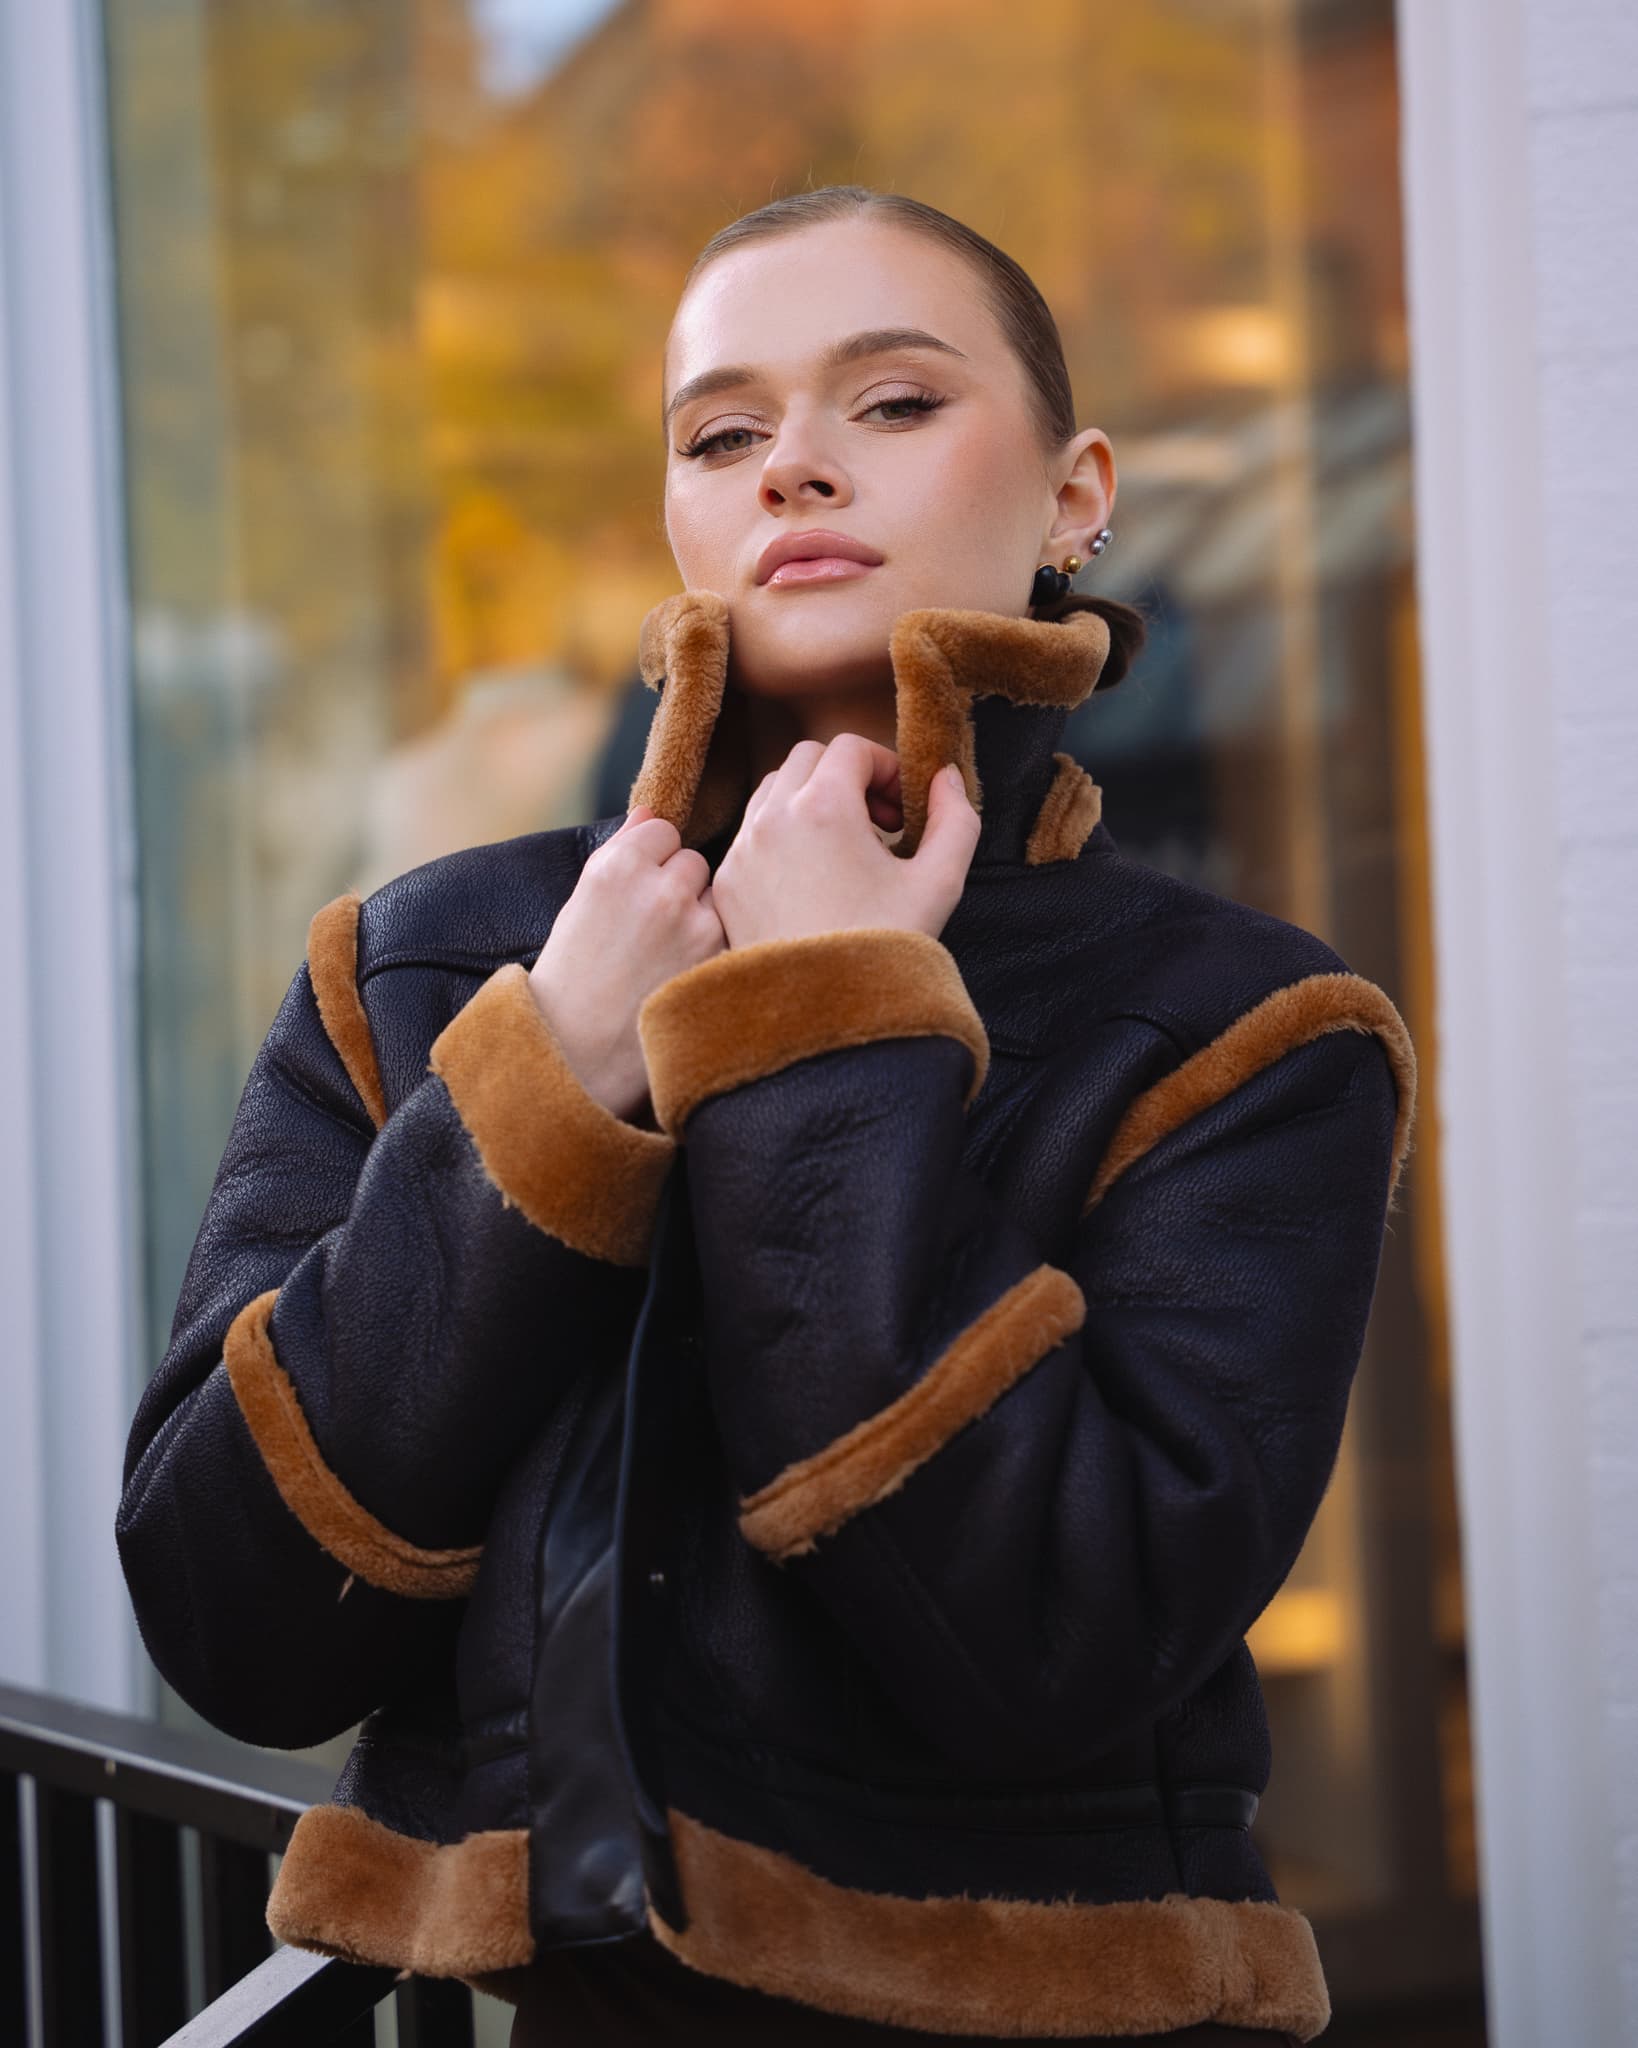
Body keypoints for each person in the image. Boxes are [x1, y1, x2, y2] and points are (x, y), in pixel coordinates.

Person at [115, 186, 1416, 2045]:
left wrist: (825, 1031)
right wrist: (551, 1077)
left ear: (1075, 493)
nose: (792, 466)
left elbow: (1049, 1636)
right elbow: (234, 1616)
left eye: (890, 403)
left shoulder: (1247, 1028)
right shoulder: (428, 969)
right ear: (678, 514)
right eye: (723, 434)